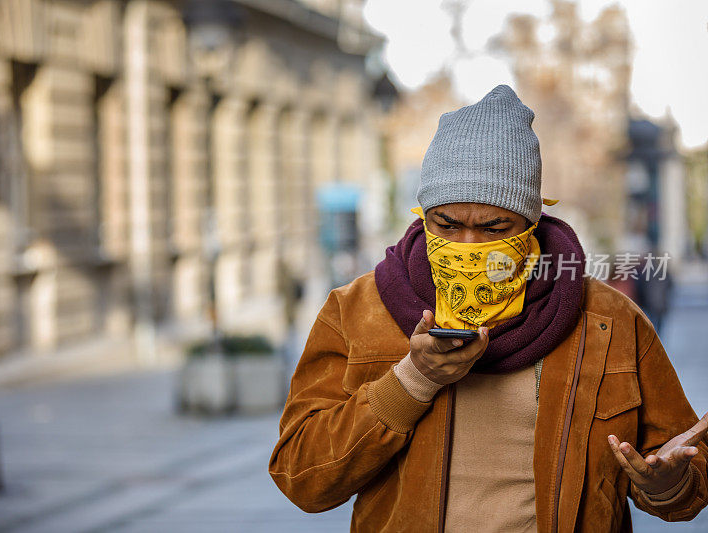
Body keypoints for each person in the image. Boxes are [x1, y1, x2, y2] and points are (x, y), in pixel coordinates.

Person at [268, 85, 708, 532]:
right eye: (448, 224)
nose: (469, 245)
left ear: (532, 222)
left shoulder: (608, 320)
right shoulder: (357, 310)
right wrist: (412, 380)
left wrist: (667, 484)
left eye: (495, 226)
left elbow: (683, 474)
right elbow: (301, 479)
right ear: (423, 215)